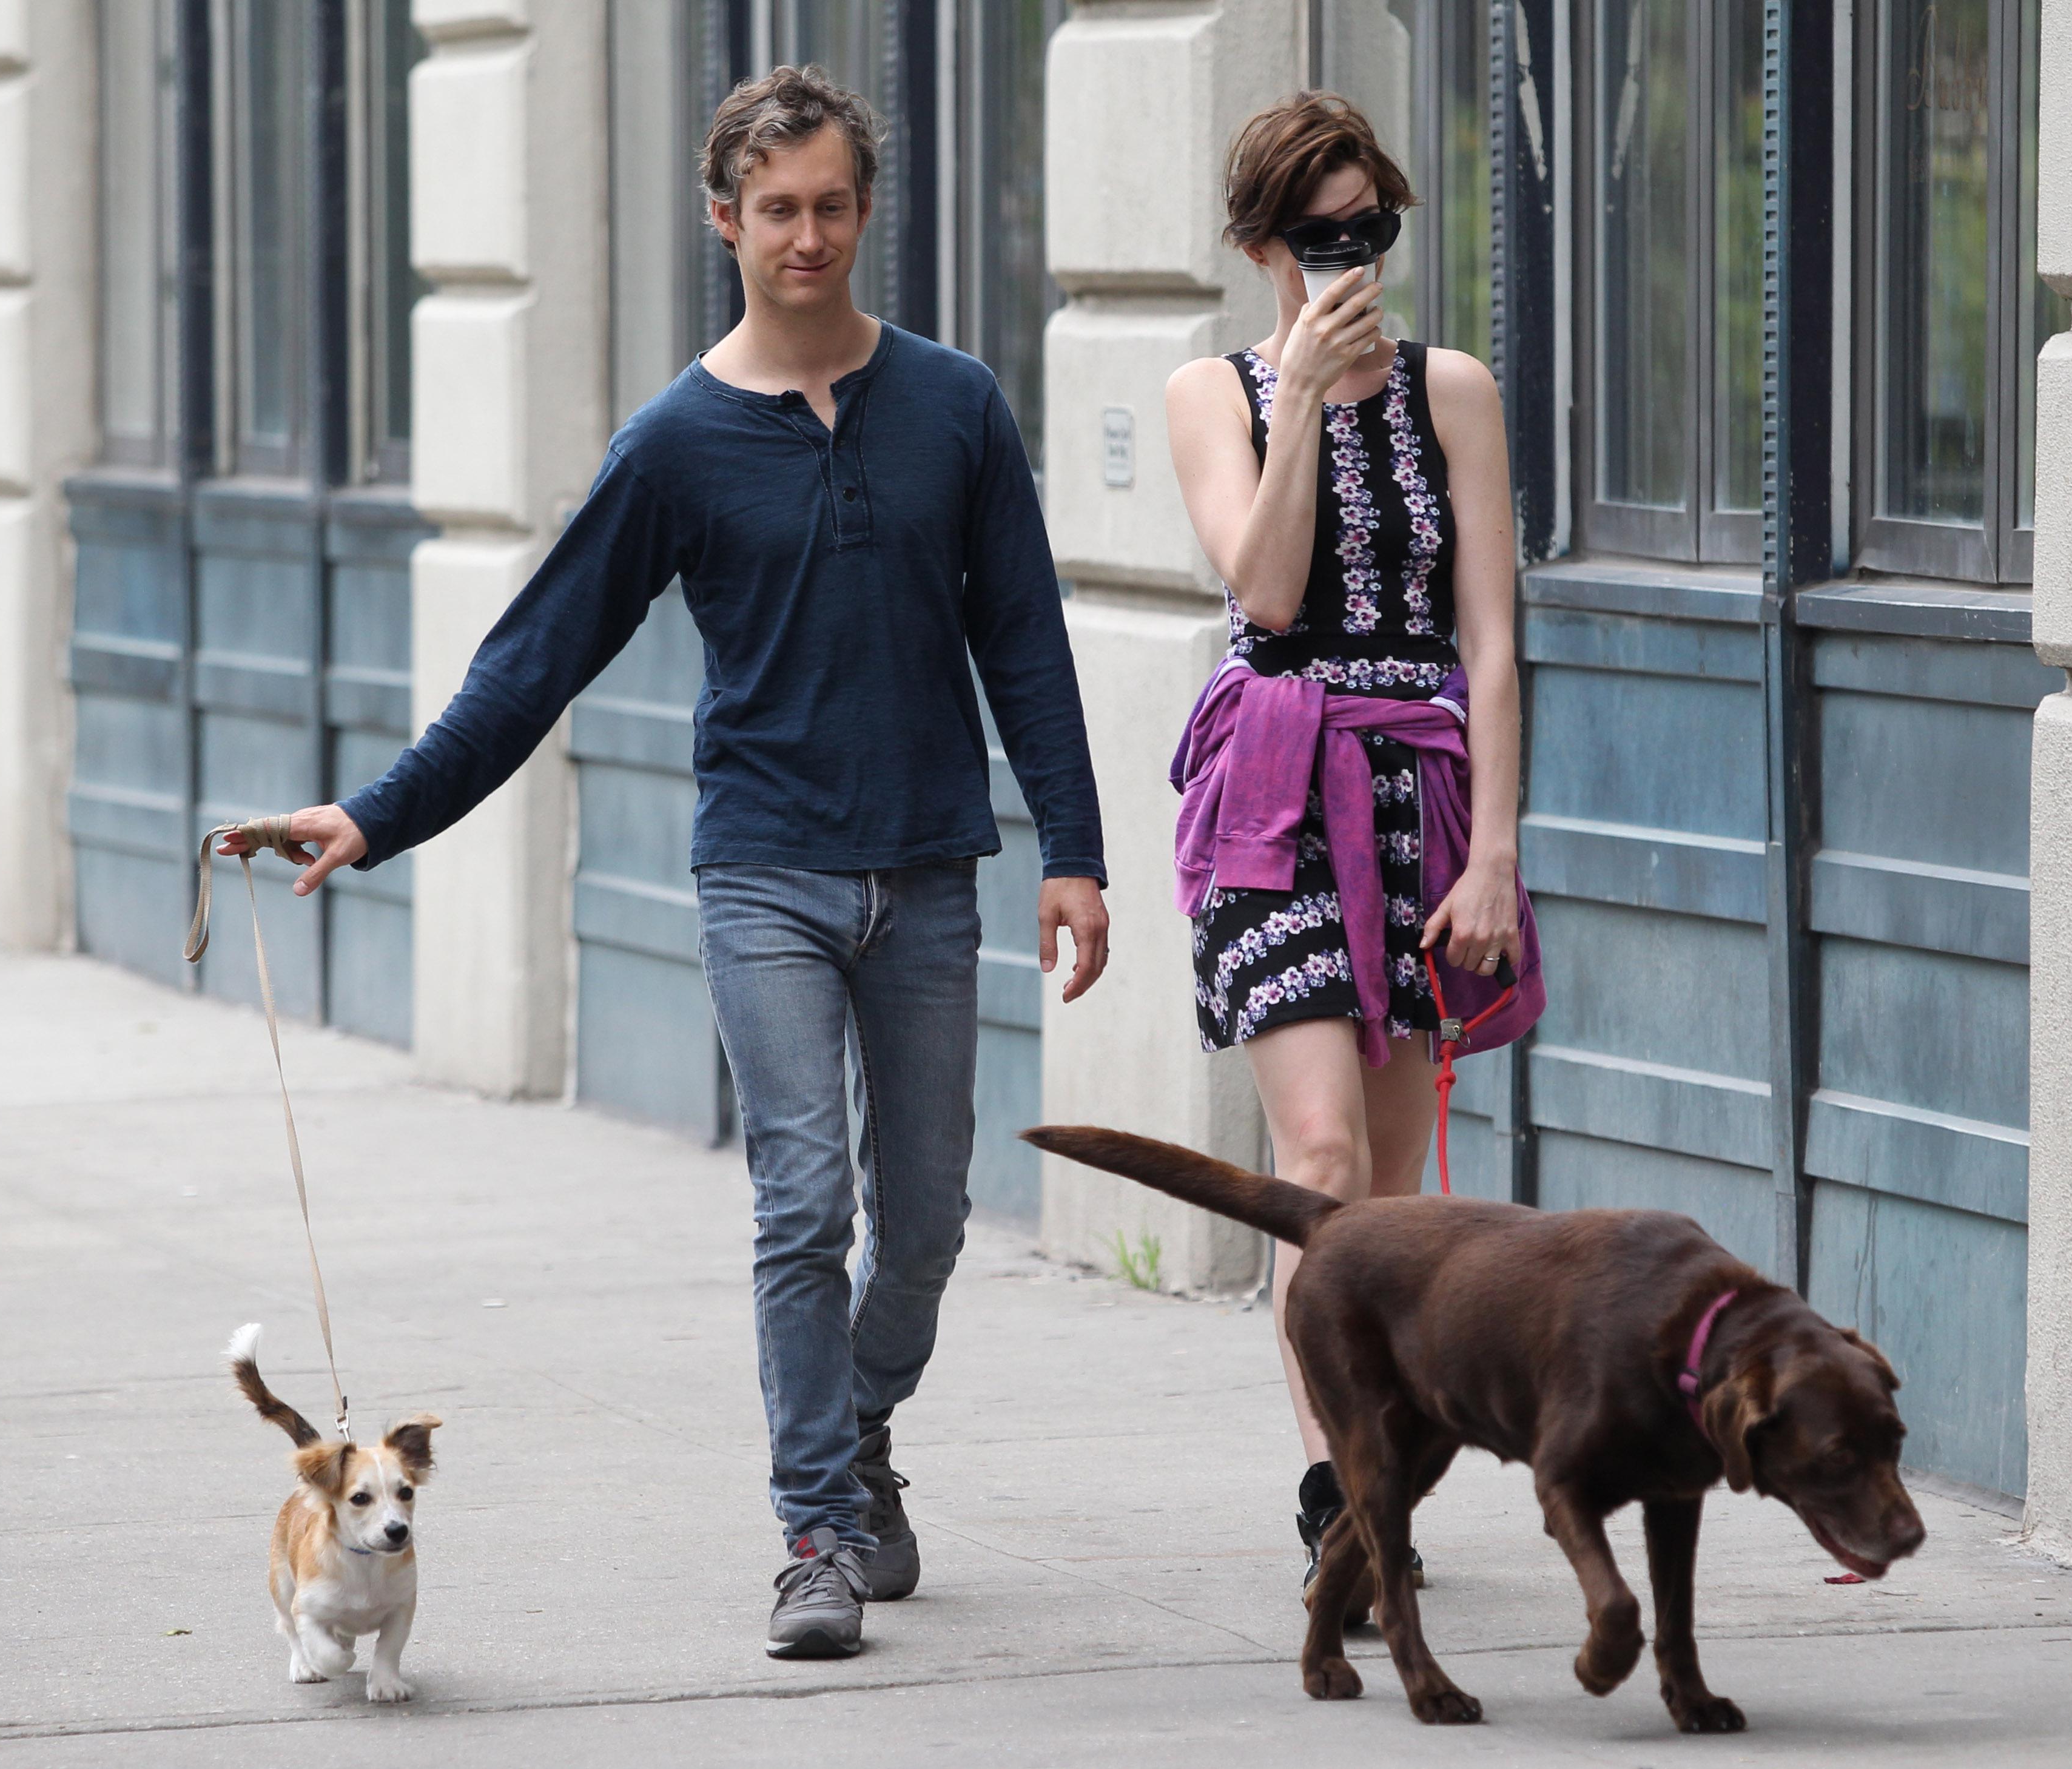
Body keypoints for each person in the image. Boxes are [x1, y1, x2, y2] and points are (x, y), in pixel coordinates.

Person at [224, 65, 1109, 1662]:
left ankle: (857, 1422)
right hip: (761, 864)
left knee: (923, 1216)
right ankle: (813, 1534)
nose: (809, 235)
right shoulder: (677, 443)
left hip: (926, 867)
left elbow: (1024, 640)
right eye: (777, 210)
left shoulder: (956, 405)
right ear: (724, 221)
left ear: (863, 209)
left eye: (834, 205)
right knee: (800, 1198)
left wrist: (1076, 851)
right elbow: (531, 659)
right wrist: (376, 812)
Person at [1163, 92, 1541, 1606]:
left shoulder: (1456, 389)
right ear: (1263, 244)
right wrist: (1308, 398)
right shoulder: (1217, 392)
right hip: (1265, 789)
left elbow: (1495, 642)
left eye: (1372, 229)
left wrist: (1496, 854)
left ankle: (1374, 1457)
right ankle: (1351, 1492)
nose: (1351, 263)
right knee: (1317, 1163)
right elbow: (1261, 593)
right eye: (1322, 238)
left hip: (1417, 801)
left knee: (1389, 1204)